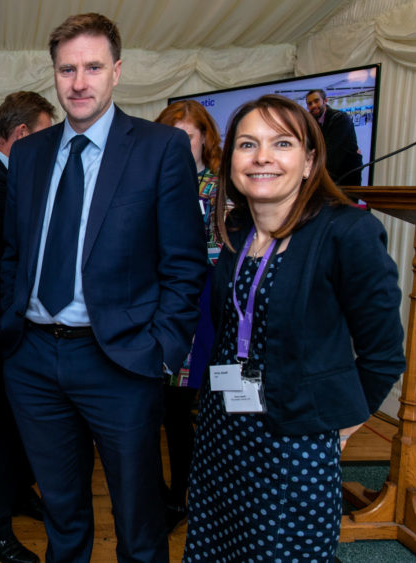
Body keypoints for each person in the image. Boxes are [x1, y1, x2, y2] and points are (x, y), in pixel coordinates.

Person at [0, 12, 207, 562]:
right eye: (67, 69)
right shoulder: (29, 153)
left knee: (138, 523)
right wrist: (10, 332)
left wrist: (160, 350)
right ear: (54, 74)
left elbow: (185, 265)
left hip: (120, 360)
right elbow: (13, 252)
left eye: (92, 67)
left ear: (117, 71)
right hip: (35, 360)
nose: (79, 82)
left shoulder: (159, 148)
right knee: (62, 516)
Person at [184, 94, 405, 561]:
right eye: (247, 144)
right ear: (232, 162)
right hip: (223, 435)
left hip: (297, 446)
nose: (262, 156)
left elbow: (384, 354)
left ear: (308, 161)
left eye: (280, 143)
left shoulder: (347, 232)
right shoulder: (237, 231)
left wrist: (340, 428)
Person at [0, 91, 55, 563]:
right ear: (22, 136)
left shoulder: (10, 176)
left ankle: (19, 494)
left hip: (23, 330)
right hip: (2, 332)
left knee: (22, 424)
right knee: (0, 431)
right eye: (47, 135)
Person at [154, 99, 223, 533]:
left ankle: (183, 498)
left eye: (188, 136)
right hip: (155, 310)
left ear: (204, 140)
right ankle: (167, 494)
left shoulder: (219, 188)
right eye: (172, 136)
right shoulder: (154, 182)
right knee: (162, 409)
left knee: (189, 408)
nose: (180, 144)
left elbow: (224, 251)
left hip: (202, 310)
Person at [305, 88, 363, 185]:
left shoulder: (340, 118)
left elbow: (330, 149)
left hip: (346, 178)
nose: (313, 106)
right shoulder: (314, 123)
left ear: (325, 101)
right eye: (310, 104)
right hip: (328, 178)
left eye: (316, 101)